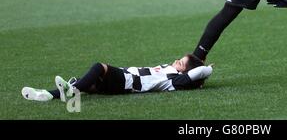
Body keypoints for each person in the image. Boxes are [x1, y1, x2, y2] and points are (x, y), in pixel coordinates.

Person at [21, 54, 213, 102]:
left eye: (180, 63)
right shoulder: (169, 69)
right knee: (86, 81)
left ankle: (71, 92)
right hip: (123, 79)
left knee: (99, 67)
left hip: (126, 82)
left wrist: (206, 70)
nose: (176, 61)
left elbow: (196, 74)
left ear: (184, 73)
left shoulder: (173, 81)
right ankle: (46, 94)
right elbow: (191, 69)